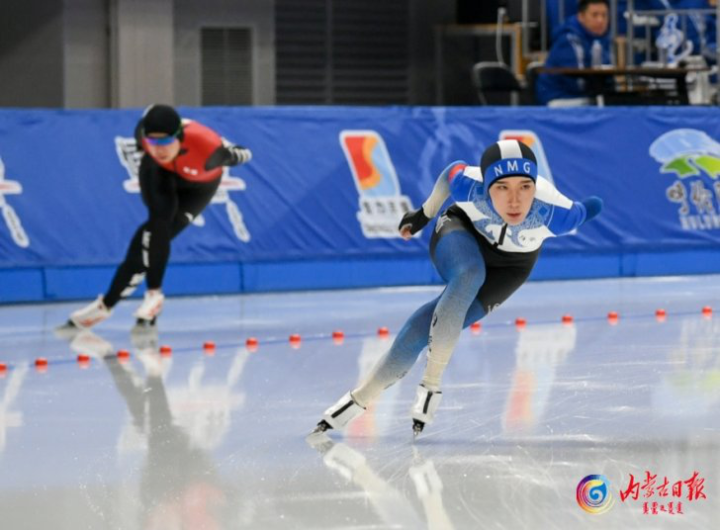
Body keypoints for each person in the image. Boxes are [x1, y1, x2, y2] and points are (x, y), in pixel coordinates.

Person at [312, 139, 603, 436]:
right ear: (486, 187)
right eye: (502, 187)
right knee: (469, 274)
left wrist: (595, 204)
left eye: (525, 187)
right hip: (461, 232)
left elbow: (587, 209)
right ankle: (431, 386)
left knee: (424, 329)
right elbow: (450, 172)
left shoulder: (556, 212)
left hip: (511, 267)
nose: (515, 200)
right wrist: (424, 214)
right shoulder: (469, 185)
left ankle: (358, 399)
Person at [64, 104, 252, 329]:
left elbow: (243, 153)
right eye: (152, 142)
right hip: (160, 173)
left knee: (147, 240)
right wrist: (153, 146)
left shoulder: (208, 147)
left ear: (179, 137)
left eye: (165, 141)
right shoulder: (143, 138)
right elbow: (151, 124)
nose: (159, 148)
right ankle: (149, 296)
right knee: (156, 226)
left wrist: (236, 154)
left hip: (199, 188)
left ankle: (112, 304)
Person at [536, 0, 613, 106]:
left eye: (604, 15)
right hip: (558, 97)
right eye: (594, 15)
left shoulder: (601, 39)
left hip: (583, 97)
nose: (600, 20)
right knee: (603, 103)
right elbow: (578, 80)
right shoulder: (568, 39)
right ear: (581, 17)